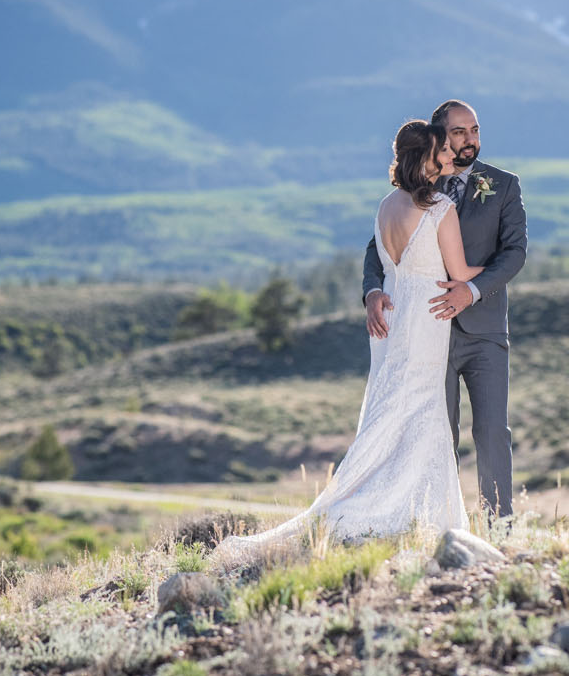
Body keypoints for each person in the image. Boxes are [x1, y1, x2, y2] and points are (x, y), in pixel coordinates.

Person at [215, 121, 473, 563]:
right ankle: (403, 513)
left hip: (393, 318)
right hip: (425, 319)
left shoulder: (385, 207)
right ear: (424, 159)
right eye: (440, 151)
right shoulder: (440, 208)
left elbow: (386, 261)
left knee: (393, 410)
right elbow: (461, 274)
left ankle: (407, 509)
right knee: (420, 412)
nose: (447, 156)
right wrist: (502, 266)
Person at [363, 100, 527, 519]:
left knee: (492, 432)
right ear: (439, 138)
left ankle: (499, 524)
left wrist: (471, 290)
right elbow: (375, 249)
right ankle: (432, 520)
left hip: (485, 328)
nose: (469, 140)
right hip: (428, 332)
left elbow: (515, 253)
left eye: (474, 130)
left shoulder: (503, 184)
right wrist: (371, 291)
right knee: (437, 432)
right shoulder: (421, 187)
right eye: (459, 133)